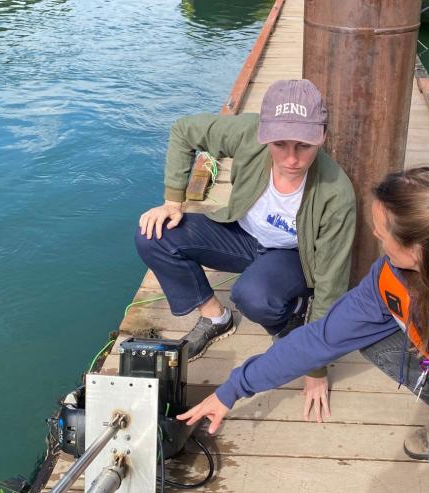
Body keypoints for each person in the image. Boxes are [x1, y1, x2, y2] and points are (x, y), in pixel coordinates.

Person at [177, 167, 429, 492]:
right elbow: (322, 338)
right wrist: (233, 388)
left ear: (419, 249)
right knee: (370, 337)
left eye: (381, 230)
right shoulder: (396, 270)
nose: (374, 233)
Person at [135, 79, 356, 421]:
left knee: (252, 296)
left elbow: (331, 285)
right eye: (279, 144)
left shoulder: (336, 193)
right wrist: (172, 201)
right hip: (240, 232)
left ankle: (291, 315)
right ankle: (214, 318)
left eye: (304, 145)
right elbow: (183, 131)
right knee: (154, 234)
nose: (292, 159)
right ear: (264, 133)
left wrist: (316, 368)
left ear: (323, 135)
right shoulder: (247, 133)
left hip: (290, 255)